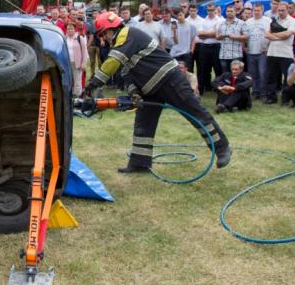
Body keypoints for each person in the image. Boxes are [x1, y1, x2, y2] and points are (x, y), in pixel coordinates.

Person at [84, 12, 232, 173]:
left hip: (170, 80)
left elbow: (113, 61)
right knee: (143, 124)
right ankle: (140, 163)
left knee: (196, 113)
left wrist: (93, 83)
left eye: (103, 34)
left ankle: (222, 148)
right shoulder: (121, 43)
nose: (104, 38)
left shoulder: (128, 34)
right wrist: (134, 93)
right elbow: (127, 74)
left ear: (111, 28)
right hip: (150, 89)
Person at [263, 2, 295, 104]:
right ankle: (271, 97)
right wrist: (280, 35)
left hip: (286, 53)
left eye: (283, 10)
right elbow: (266, 35)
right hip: (272, 52)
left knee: (287, 77)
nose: (281, 12)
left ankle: (285, 98)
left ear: (287, 10)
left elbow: (288, 34)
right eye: (279, 10)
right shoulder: (272, 20)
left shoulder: (292, 21)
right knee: (271, 76)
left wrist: (274, 34)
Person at [196, 3, 223, 94]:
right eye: (208, 10)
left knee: (218, 68)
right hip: (205, 47)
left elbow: (218, 33)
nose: (210, 12)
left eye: (212, 10)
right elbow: (200, 34)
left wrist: (206, 34)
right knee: (204, 68)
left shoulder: (220, 20)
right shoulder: (203, 21)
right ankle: (206, 87)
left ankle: (218, 87)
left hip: (216, 46)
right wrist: (212, 33)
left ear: (215, 10)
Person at [245, 3, 270, 99]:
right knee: (253, 73)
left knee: (262, 73)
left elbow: (271, 34)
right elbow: (245, 35)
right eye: (254, 10)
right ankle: (255, 92)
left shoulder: (268, 21)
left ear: (262, 10)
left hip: (262, 52)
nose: (256, 12)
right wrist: (244, 46)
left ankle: (264, 93)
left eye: (258, 10)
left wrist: (268, 47)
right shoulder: (248, 22)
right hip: (251, 51)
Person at [216, 5, 247, 75]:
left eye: (231, 11)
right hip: (224, 55)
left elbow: (246, 37)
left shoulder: (241, 23)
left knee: (237, 76)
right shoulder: (221, 23)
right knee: (226, 76)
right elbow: (217, 37)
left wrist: (235, 37)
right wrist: (221, 36)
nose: (229, 13)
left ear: (235, 12)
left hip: (236, 55)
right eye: (228, 11)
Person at [65, 22, 88, 97]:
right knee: (68, 80)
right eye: (68, 29)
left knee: (77, 80)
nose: (70, 30)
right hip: (67, 63)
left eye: (72, 28)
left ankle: (77, 96)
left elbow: (84, 52)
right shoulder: (64, 38)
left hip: (77, 63)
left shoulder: (79, 38)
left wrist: (83, 63)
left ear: (75, 29)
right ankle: (69, 95)